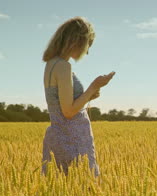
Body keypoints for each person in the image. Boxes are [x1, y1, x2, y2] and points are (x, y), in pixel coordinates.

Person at [41, 16, 115, 177]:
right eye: (88, 45)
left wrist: (88, 97)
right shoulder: (63, 67)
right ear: (77, 41)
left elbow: (61, 105)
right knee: (84, 190)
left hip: (59, 135)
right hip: (72, 139)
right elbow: (68, 111)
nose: (87, 52)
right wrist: (94, 86)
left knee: (61, 193)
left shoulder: (51, 64)